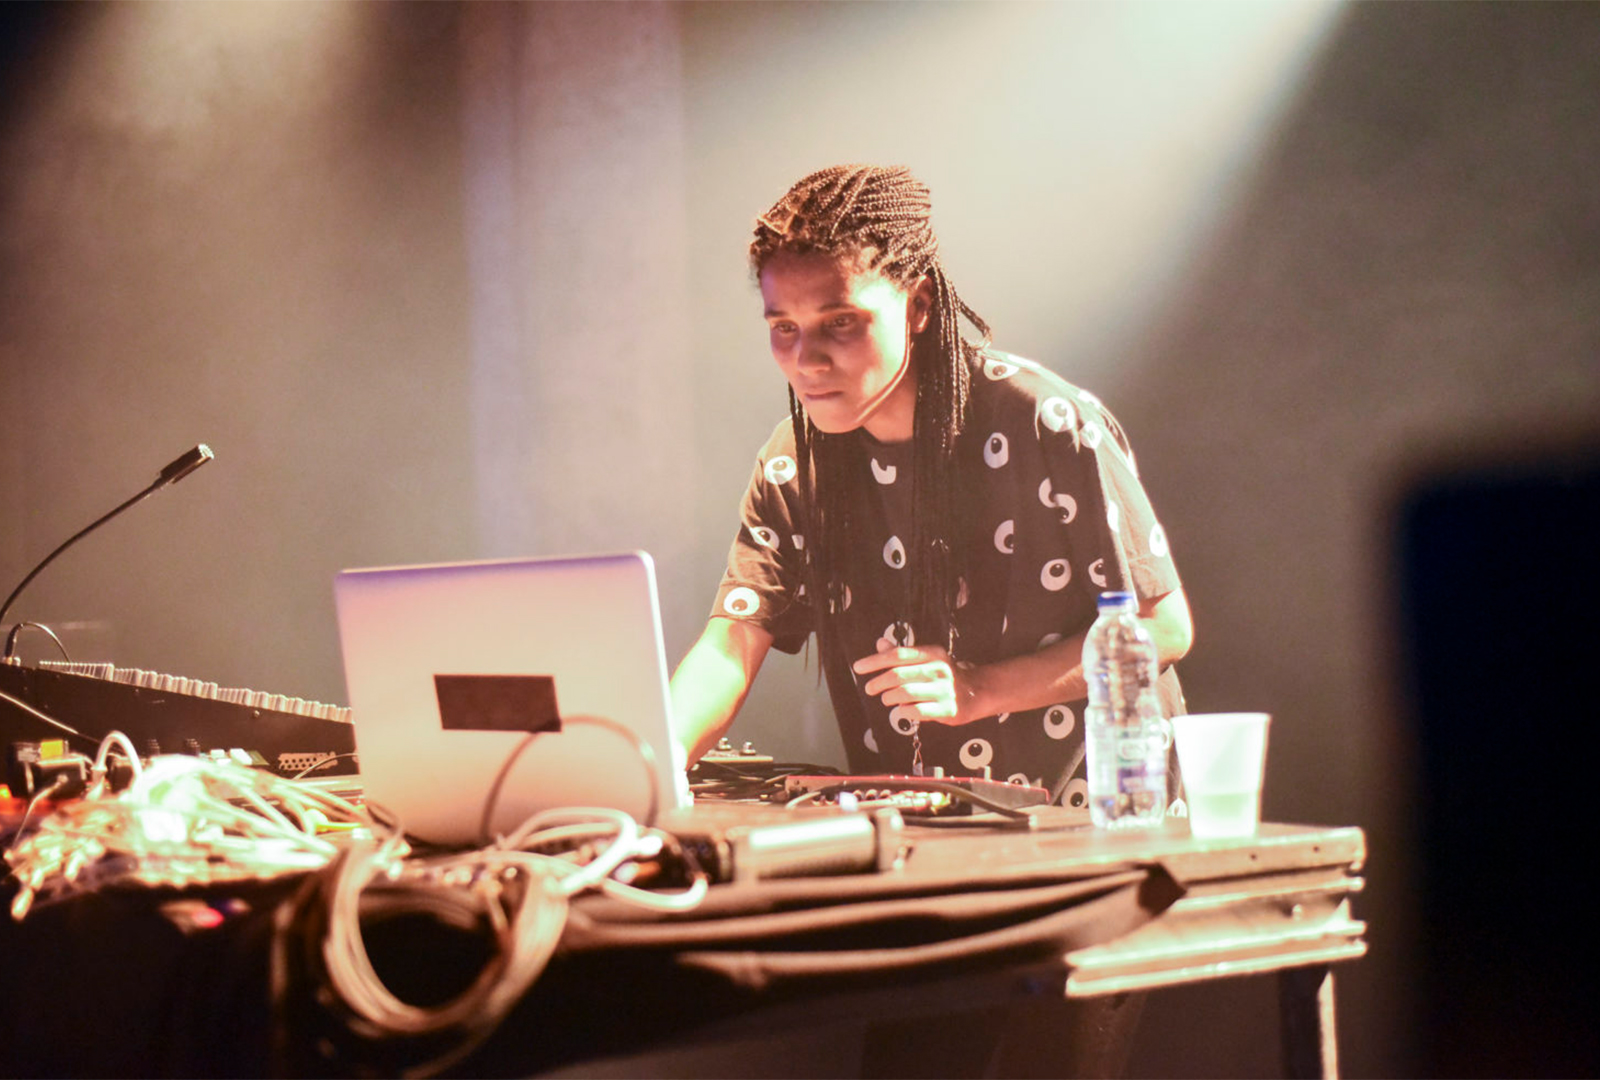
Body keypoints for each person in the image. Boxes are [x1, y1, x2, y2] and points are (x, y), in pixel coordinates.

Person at [670, 164, 1192, 809]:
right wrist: (650, 763)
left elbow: (1162, 626)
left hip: (1103, 818)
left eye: (840, 321)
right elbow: (733, 642)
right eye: (784, 328)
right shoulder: (794, 463)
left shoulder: (1045, 420)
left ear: (917, 306)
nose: (807, 358)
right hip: (925, 824)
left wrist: (979, 688)